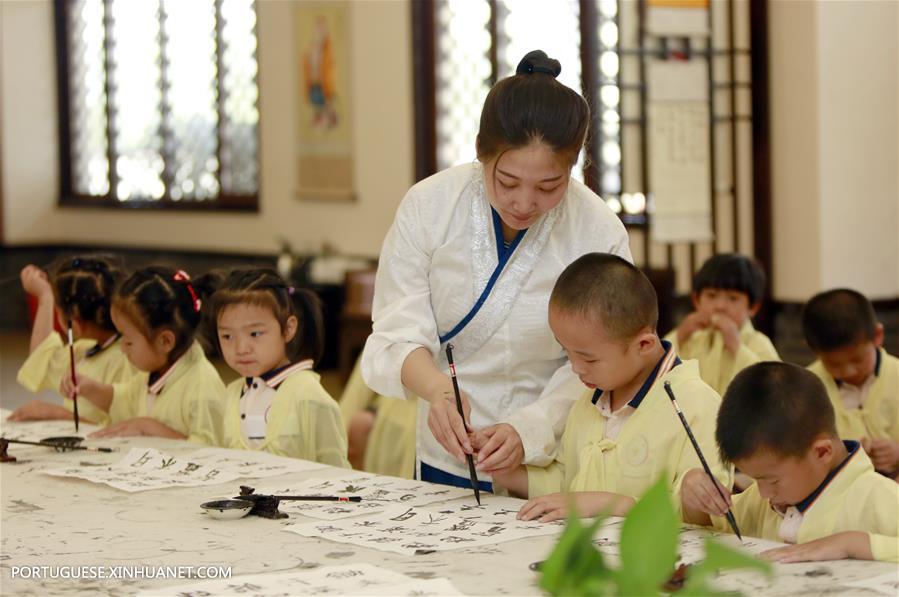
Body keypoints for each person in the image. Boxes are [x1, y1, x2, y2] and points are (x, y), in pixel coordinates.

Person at [361, 50, 631, 490]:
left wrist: (531, 428)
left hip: (554, 449)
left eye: (550, 186)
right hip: (448, 440)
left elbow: (603, 356)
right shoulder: (429, 207)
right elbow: (397, 330)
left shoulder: (597, 230)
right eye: (507, 182)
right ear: (482, 153)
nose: (524, 203)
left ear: (573, 166)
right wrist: (435, 390)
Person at [491, 253, 729, 521]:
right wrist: (506, 472)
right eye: (566, 352)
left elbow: (705, 518)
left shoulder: (699, 406)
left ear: (644, 345)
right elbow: (569, 486)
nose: (575, 368)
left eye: (588, 358)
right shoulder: (589, 400)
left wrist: (608, 504)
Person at [681, 362, 899, 563]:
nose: (764, 493)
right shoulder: (759, 501)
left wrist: (851, 543)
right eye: (756, 480)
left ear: (822, 452)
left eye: (773, 481)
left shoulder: (880, 499)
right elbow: (709, 524)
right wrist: (693, 496)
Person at [205, 268, 349, 467]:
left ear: (288, 328)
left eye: (255, 334)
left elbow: (336, 470)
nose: (241, 348)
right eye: (227, 336)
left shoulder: (308, 395)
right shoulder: (231, 393)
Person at [76, 267, 226, 444]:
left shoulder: (202, 386)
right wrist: (90, 389)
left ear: (165, 342)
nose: (122, 348)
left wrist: (148, 427)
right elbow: (123, 401)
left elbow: (210, 451)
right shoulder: (155, 370)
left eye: (129, 341)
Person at [10, 256, 136, 425]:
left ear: (75, 324)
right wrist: (45, 296)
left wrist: (57, 413)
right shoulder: (87, 348)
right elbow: (43, 360)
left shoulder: (127, 359)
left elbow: (123, 425)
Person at [802, 289, 899, 477]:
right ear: (814, 350)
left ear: (878, 336)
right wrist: (843, 457)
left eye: (858, 360)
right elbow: (799, 456)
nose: (849, 371)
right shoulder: (806, 389)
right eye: (834, 364)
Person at [665, 253, 779, 396]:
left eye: (733, 298)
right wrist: (680, 335)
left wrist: (736, 346)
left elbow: (774, 388)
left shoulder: (757, 343)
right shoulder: (691, 339)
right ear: (696, 300)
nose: (720, 306)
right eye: (711, 296)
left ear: (753, 307)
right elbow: (658, 370)